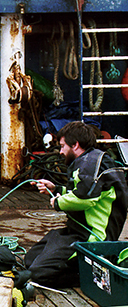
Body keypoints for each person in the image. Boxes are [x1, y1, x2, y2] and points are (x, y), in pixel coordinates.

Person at [25, 121, 128, 288]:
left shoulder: (89, 163)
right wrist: (56, 188)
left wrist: (58, 202)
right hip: (75, 231)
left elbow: (85, 199)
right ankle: (73, 265)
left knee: (38, 273)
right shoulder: (90, 160)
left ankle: (88, 276)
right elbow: (83, 190)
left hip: (91, 238)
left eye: (63, 146)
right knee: (29, 260)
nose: (61, 151)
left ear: (76, 145)